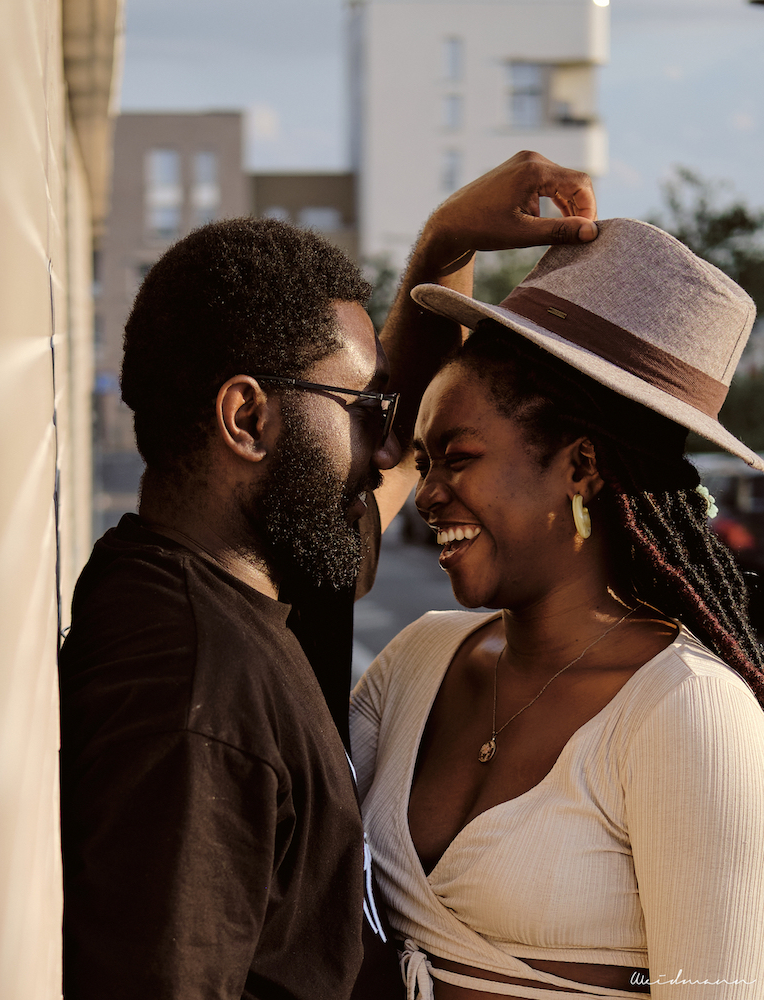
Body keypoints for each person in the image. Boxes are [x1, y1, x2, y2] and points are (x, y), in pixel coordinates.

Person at [58, 152, 600, 999]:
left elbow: (372, 471)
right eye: (366, 412)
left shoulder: (222, 585)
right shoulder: (194, 697)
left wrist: (445, 244)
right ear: (247, 419)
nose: (389, 450)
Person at [350, 218, 764, 1000]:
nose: (429, 494)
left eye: (459, 459)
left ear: (580, 466)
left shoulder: (687, 713)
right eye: (425, 461)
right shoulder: (417, 660)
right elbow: (328, 564)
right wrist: (443, 242)